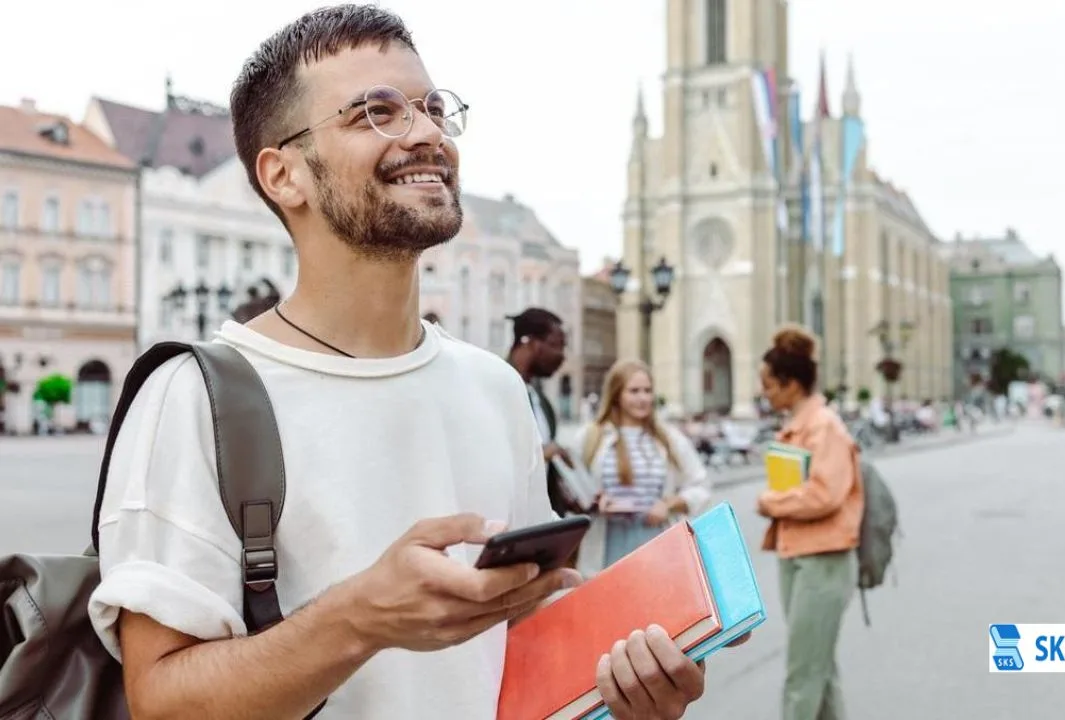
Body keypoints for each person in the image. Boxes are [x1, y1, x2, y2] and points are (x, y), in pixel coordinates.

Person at [87, 6, 719, 718]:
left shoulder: (494, 388)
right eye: (374, 114)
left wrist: (621, 691)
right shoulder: (196, 397)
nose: (426, 135)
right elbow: (161, 702)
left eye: (433, 109)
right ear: (283, 174)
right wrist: (357, 618)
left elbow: (521, 648)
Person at [755, 325, 863, 720]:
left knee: (803, 675)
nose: (764, 393)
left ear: (791, 384)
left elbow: (824, 494)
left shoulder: (824, 427)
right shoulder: (801, 425)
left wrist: (772, 502)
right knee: (819, 669)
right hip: (800, 555)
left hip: (823, 559)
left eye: (768, 384)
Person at [566, 359, 711, 576]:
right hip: (606, 545)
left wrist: (668, 504)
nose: (643, 398)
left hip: (658, 543)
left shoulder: (669, 438)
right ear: (617, 394)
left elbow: (700, 485)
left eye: (647, 391)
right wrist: (594, 502)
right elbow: (569, 488)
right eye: (634, 391)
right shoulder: (590, 437)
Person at [505, 307, 581, 518]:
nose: (562, 356)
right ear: (531, 343)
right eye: (557, 346)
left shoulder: (541, 401)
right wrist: (543, 453)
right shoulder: (496, 389)